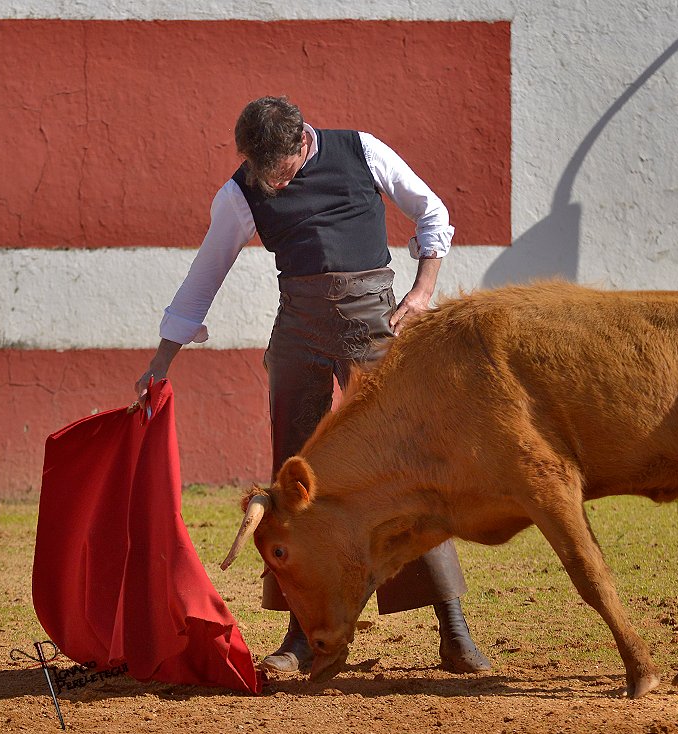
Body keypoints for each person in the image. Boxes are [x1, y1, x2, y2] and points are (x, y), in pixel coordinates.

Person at [135, 96, 491, 676]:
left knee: (408, 468)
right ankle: (301, 634)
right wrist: (161, 361)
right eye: (256, 167)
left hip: (375, 324)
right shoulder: (241, 191)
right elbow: (205, 274)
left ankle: (453, 631)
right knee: (292, 478)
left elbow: (434, 213)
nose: (265, 181)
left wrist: (423, 292)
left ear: (303, 140)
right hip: (298, 330)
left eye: (274, 166)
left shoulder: (361, 149)